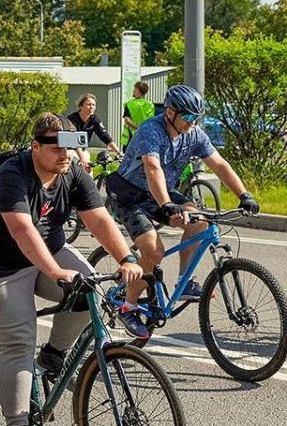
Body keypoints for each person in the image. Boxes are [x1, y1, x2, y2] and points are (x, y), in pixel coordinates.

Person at [0, 112, 143, 426]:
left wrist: (125, 257)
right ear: (35, 147)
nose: (65, 155)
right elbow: (23, 230)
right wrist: (56, 273)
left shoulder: (71, 172)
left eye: (72, 147)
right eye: (57, 147)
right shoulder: (11, 176)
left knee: (90, 289)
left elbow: (98, 218)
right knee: (19, 340)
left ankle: (53, 357)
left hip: (48, 254)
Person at [106, 84, 259, 338]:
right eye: (188, 116)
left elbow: (219, 164)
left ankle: (184, 281)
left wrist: (244, 195)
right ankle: (128, 305)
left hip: (160, 192)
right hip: (129, 195)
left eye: (196, 117)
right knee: (154, 251)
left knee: (200, 222)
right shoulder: (150, 130)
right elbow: (152, 169)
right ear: (170, 113)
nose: (192, 122)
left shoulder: (194, 134)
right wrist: (166, 205)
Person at [66, 93, 121, 168]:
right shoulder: (72, 119)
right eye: (89, 104)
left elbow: (104, 136)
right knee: (82, 164)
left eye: (93, 105)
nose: (91, 107)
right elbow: (74, 140)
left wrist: (118, 152)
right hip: (69, 151)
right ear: (81, 106)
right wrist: (82, 158)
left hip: (82, 151)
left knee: (88, 167)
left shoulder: (94, 119)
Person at [121, 81, 155, 150]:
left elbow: (127, 121)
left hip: (131, 138)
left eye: (135, 89)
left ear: (138, 91)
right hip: (145, 137)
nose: (133, 91)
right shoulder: (150, 105)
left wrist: (138, 128)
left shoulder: (129, 104)